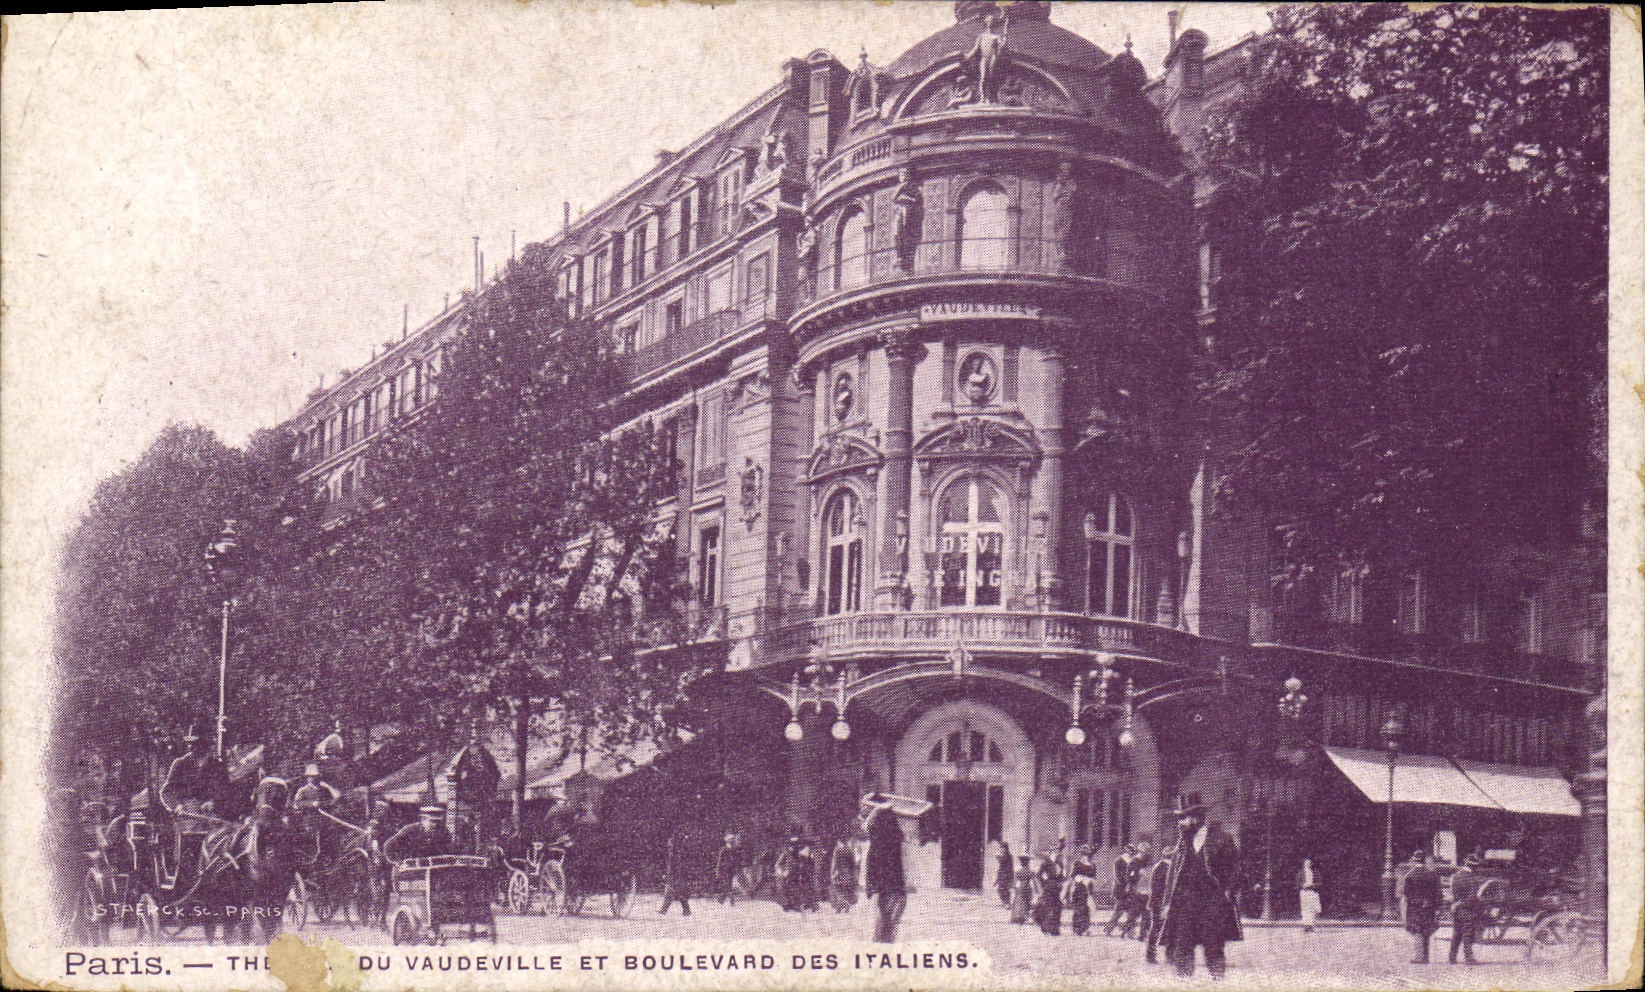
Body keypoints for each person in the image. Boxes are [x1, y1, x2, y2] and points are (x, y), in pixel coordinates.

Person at [1158, 794, 1243, 980]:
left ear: (1196, 817)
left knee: (1213, 947)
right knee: (1182, 947)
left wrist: (1227, 893)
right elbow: (1173, 876)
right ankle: (1184, 982)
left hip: (1212, 903)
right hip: (1185, 904)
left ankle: (1217, 982)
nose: (1180, 822)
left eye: (1183, 818)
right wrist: (1167, 904)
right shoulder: (1182, 844)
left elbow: (1237, 869)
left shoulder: (1221, 839)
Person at [863, 797, 906, 943]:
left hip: (884, 890)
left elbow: (871, 865)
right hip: (896, 890)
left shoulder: (876, 843)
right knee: (889, 929)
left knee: (882, 930)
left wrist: (870, 888)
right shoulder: (895, 839)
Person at [1403, 851, 1442, 963]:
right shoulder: (1432, 874)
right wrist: (1438, 908)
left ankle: (1419, 956)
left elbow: (1406, 894)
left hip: (1415, 907)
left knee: (1417, 930)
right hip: (1429, 907)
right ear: (1424, 860)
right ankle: (1426, 956)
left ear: (1415, 861)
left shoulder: (1410, 876)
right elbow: (1438, 893)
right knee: (1426, 930)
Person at [384, 804, 453, 862]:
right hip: (410, 869)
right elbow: (389, 846)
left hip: (433, 869)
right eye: (432, 821)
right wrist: (398, 862)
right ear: (423, 819)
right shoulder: (410, 830)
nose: (435, 825)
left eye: (438, 822)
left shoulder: (443, 831)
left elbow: (448, 849)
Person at [1448, 853, 1483, 965]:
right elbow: (1472, 898)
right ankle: (1468, 958)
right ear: (1473, 866)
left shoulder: (1455, 877)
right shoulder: (1472, 879)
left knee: (1456, 933)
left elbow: (1452, 894)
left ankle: (1452, 957)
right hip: (1467, 910)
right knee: (1468, 934)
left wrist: (1456, 904)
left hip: (1456, 910)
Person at [1145, 845, 1174, 963]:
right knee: (1166, 928)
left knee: (1157, 928)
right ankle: (1167, 955)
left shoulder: (1158, 866)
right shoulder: (1169, 868)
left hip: (1157, 903)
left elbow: (1155, 888)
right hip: (1164, 904)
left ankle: (1152, 954)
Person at [1103, 843, 1140, 936]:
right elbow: (1118, 876)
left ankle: (1130, 931)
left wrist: (1133, 881)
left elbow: (1136, 874)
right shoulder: (1119, 860)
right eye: (1130, 852)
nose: (1131, 855)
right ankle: (1108, 929)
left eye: (1132, 853)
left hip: (1131, 889)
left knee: (1132, 911)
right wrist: (1126, 883)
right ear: (1126, 851)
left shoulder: (1134, 862)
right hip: (1121, 889)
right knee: (1118, 911)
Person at [775, 836, 814, 913]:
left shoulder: (800, 855)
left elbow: (806, 863)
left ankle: (796, 905)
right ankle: (788, 905)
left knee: (797, 890)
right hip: (788, 876)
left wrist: (809, 858)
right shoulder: (786, 854)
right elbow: (777, 865)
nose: (795, 847)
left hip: (797, 875)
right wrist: (782, 872)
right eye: (793, 845)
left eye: (796, 845)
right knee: (787, 890)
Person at [658, 831, 692, 916]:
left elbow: (673, 866)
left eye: (670, 845)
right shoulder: (673, 853)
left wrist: (668, 874)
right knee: (678, 892)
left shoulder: (675, 854)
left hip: (675, 875)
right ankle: (685, 910)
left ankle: (665, 910)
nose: (668, 846)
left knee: (671, 892)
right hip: (675, 875)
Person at [1065, 849, 1096, 936]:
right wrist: (1080, 879)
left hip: (1088, 888)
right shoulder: (1077, 863)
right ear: (1082, 855)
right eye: (1085, 855)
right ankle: (1076, 928)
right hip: (1079, 888)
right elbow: (1073, 875)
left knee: (1087, 908)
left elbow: (1093, 877)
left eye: (1089, 855)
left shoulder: (1092, 865)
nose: (1087, 857)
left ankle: (1085, 928)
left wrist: (1090, 881)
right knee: (1079, 908)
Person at [1034, 853, 1064, 936]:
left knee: (1057, 909)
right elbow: (1038, 875)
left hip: (1056, 889)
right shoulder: (1046, 863)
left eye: (1057, 851)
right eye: (1053, 852)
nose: (1055, 854)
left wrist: (1060, 883)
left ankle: (1054, 929)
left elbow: (1061, 876)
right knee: (1048, 908)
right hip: (1048, 889)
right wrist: (1045, 882)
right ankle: (1046, 928)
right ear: (1050, 853)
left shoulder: (1059, 863)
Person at [714, 832, 746, 905]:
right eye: (731, 839)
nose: (733, 840)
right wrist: (717, 871)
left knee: (729, 884)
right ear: (728, 841)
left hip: (732, 869)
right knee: (727, 884)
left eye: (733, 839)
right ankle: (731, 899)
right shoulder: (724, 849)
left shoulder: (735, 849)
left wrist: (737, 867)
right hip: (724, 869)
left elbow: (737, 859)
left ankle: (721, 899)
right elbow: (719, 861)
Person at [829, 837, 858, 913]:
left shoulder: (838, 850)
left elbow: (835, 863)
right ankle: (846, 905)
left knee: (839, 889)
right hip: (848, 873)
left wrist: (833, 872)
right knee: (846, 890)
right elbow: (853, 864)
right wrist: (854, 875)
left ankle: (839, 906)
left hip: (840, 872)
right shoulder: (850, 851)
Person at [1298, 856, 1322, 933]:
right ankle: (1306, 925)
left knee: (1312, 909)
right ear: (1304, 864)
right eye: (1306, 863)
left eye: (1309, 863)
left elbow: (1320, 882)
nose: (1308, 864)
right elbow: (1297, 883)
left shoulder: (1315, 872)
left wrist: (1313, 885)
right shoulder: (1301, 873)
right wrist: (1303, 885)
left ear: (1311, 864)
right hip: (1304, 892)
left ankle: (1311, 925)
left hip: (1312, 892)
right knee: (1305, 909)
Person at [1009, 854, 1034, 924]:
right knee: (1028, 902)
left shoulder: (1018, 872)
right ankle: (1026, 917)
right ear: (1027, 863)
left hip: (1021, 887)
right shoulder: (1031, 872)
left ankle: (1019, 916)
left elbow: (1014, 883)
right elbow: (1034, 882)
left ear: (1021, 863)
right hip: (1028, 887)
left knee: (1020, 902)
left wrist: (1014, 888)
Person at [995, 840, 1014, 906]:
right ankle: (1005, 902)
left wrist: (998, 857)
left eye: (1002, 848)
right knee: (1001, 889)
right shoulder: (1006, 855)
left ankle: (1007, 902)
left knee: (1004, 889)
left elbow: (1003, 862)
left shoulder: (1008, 856)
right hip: (1002, 875)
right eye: (1001, 848)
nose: (1001, 849)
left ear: (1006, 848)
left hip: (1006, 875)